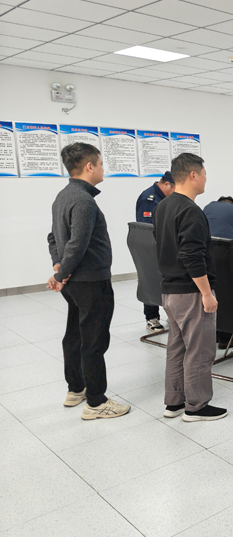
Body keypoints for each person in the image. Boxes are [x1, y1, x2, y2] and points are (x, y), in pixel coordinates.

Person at [47, 143, 131, 420]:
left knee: (75, 334)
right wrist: (60, 272)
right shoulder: (83, 201)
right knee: (94, 341)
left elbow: (53, 237)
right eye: (101, 164)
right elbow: (77, 244)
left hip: (75, 283)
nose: (103, 169)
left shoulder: (63, 196)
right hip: (91, 281)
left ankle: (76, 388)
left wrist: (59, 266)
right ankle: (96, 402)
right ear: (89, 166)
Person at [153, 153, 227, 422]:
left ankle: (174, 402)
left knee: (177, 348)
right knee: (200, 350)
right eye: (204, 173)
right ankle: (196, 406)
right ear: (193, 175)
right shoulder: (191, 211)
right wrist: (206, 293)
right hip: (191, 292)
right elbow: (192, 256)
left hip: (170, 292)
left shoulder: (163, 206)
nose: (206, 178)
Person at [203, 196, 233, 350]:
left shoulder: (208, 207)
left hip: (205, 254)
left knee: (215, 292)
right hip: (228, 254)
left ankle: (217, 334)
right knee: (229, 293)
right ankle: (226, 338)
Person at [135, 171, 174, 332]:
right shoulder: (149, 199)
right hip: (151, 247)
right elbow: (148, 229)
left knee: (164, 281)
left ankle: (171, 312)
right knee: (150, 280)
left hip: (164, 246)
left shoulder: (163, 197)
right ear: (166, 184)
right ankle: (151, 318)